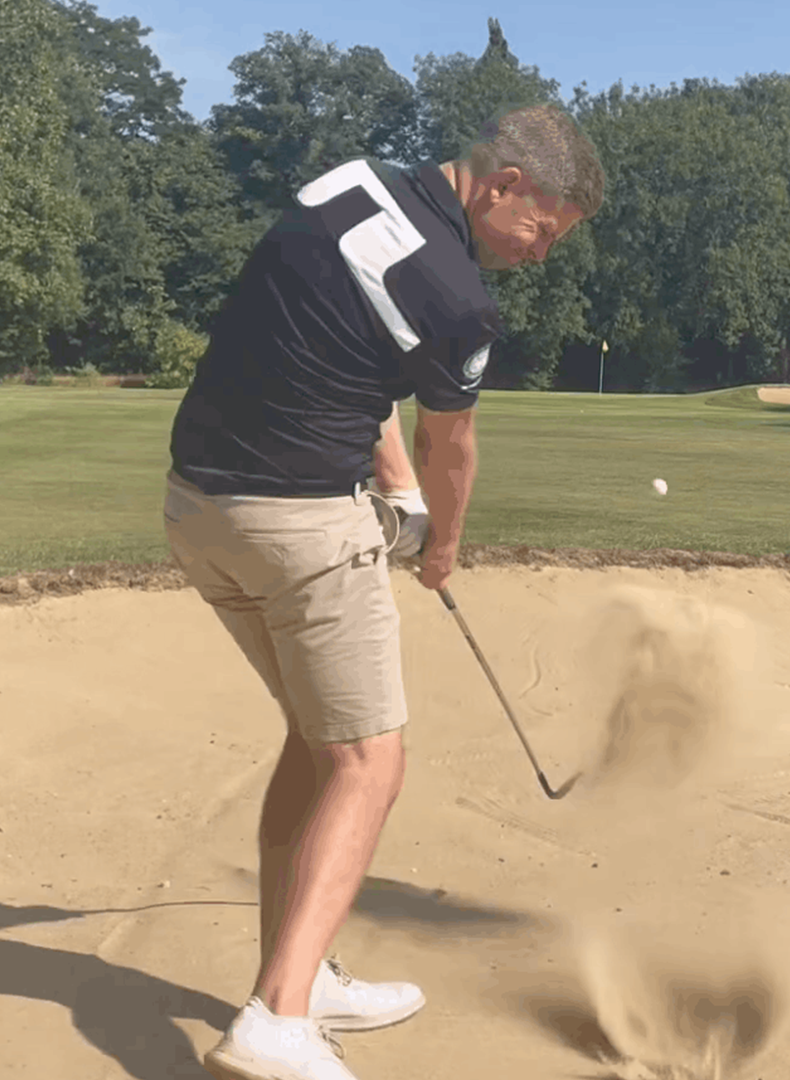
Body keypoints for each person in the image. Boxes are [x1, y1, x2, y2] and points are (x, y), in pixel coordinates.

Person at [159, 102, 604, 1080]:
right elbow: (456, 444)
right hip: (299, 527)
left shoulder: (345, 187)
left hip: (198, 509)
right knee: (370, 763)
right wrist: (440, 544)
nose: (538, 255)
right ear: (507, 186)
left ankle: (303, 974)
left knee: (317, 745)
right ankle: (277, 1020)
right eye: (542, 232)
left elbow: (349, 359)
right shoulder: (460, 301)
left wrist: (391, 484)